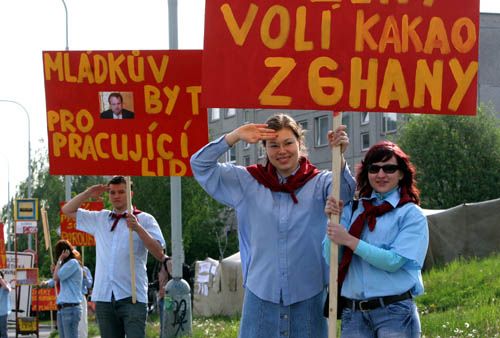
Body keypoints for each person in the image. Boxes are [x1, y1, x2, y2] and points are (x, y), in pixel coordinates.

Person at [190, 113, 356, 338]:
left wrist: (340, 156)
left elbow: (345, 193)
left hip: (308, 295)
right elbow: (200, 165)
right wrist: (235, 136)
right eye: (273, 145)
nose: (282, 151)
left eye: (288, 143)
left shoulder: (320, 182)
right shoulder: (247, 181)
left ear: (300, 143)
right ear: (264, 148)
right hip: (261, 295)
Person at [323, 141, 429, 337]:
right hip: (353, 314)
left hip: (394, 312)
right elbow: (332, 260)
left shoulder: (410, 214)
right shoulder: (352, 209)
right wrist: (332, 221)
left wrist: (349, 240)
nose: (381, 175)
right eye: (374, 169)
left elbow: (394, 261)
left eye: (389, 168)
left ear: (401, 173)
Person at [61, 176, 168, 338]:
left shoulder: (145, 219)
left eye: (121, 192)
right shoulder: (101, 218)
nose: (116, 196)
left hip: (132, 296)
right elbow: (67, 210)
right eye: (112, 192)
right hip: (104, 296)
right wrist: (88, 193)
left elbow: (160, 253)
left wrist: (138, 228)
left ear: (130, 194)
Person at [49, 240, 83, 338]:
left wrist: (59, 260)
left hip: (70, 307)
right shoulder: (67, 265)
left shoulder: (73, 263)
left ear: (63, 252)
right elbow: (55, 278)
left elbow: (56, 277)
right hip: (64, 307)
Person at [73, 249, 93, 338]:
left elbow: (89, 284)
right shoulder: (69, 269)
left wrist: (84, 276)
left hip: (81, 296)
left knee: (82, 321)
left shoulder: (85, 269)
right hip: (71, 297)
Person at [0, 271, 11, 338]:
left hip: (3, 313)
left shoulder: (6, 285)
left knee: (3, 332)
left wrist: (0, 279)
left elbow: (8, 289)